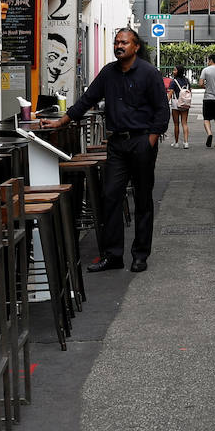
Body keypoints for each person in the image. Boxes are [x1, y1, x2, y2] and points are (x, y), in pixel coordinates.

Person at [42, 28, 169, 273]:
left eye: (124, 42)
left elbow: (161, 110)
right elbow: (86, 100)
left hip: (141, 142)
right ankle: (113, 255)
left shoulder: (149, 73)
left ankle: (140, 255)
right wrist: (60, 121)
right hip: (117, 145)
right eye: (116, 42)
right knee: (110, 196)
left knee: (143, 199)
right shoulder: (109, 73)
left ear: (136, 47)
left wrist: (150, 140)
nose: (118, 46)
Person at [168, 65, 192, 148]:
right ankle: (186, 142)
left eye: (175, 70)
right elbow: (190, 91)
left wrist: (165, 103)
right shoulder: (187, 81)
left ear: (178, 71)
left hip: (176, 104)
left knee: (176, 124)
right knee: (184, 123)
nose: (173, 71)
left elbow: (170, 94)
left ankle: (176, 142)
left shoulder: (173, 82)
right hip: (185, 104)